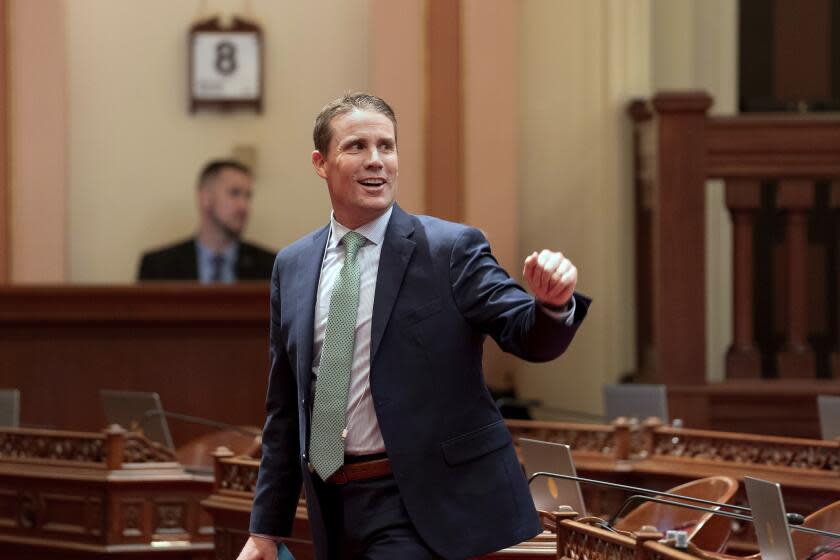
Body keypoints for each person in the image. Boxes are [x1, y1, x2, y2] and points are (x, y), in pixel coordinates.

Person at [238, 93, 590, 560]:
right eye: (357, 147)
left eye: (387, 146)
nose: (376, 161)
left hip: (420, 503)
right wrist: (265, 531)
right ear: (321, 163)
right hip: (333, 503)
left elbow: (525, 332)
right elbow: (286, 409)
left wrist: (552, 305)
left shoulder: (449, 249)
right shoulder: (294, 265)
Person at [137, 159, 276, 282]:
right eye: (234, 193)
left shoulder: (272, 266)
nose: (244, 206)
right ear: (206, 198)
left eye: (248, 196)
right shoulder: (159, 266)